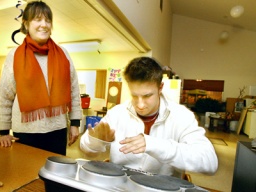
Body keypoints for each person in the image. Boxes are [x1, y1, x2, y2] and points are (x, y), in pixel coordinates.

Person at [80, 57, 218, 177]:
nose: (140, 104)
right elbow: (87, 151)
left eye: (147, 96)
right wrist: (95, 141)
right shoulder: (117, 113)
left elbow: (209, 162)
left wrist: (154, 145)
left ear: (160, 87)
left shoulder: (182, 116)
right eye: (134, 95)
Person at [0, 1, 82, 155]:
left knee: (54, 177)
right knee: (26, 176)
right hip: (25, 131)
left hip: (57, 129)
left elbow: (74, 91)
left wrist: (75, 123)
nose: (44, 24)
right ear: (26, 23)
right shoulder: (14, 55)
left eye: (48, 20)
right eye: (38, 19)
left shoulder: (63, 53)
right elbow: (4, 96)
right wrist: (3, 131)